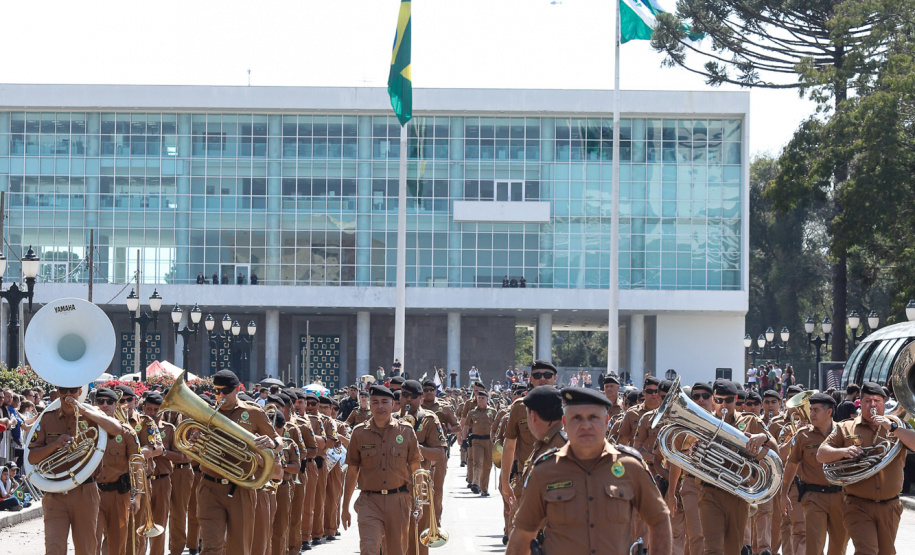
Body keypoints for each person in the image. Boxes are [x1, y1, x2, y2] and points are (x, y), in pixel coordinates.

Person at [506, 387, 672, 555]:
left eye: (593, 417)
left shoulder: (631, 467)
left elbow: (659, 519)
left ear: (606, 421)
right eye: (577, 418)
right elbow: (522, 534)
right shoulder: (544, 471)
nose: (586, 425)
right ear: (565, 423)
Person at [818, 381, 915, 555]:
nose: (872, 405)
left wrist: (892, 427)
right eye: (868, 401)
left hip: (890, 506)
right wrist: (844, 451)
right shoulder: (846, 427)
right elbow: (821, 454)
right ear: (860, 403)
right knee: (867, 550)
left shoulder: (897, 425)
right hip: (857, 504)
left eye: (877, 401)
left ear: (884, 403)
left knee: (886, 552)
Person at [29, 384, 124, 555]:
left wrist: (83, 410)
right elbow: (32, 458)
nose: (68, 395)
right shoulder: (47, 418)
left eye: (73, 391)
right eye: (63, 391)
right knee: (54, 549)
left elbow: (117, 429)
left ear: (80, 392)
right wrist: (55, 445)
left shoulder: (93, 416)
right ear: (57, 392)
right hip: (55, 492)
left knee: (86, 549)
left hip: (85, 491)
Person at [194, 370, 281, 555]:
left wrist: (272, 443)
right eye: (217, 391)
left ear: (237, 389)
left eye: (225, 391)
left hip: (241, 488)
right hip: (210, 487)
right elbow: (188, 454)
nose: (221, 396)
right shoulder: (206, 413)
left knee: (239, 548)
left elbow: (279, 441)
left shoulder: (253, 412)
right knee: (210, 547)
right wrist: (194, 440)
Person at [341, 384, 422, 555]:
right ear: (369, 405)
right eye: (375, 402)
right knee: (369, 548)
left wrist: (419, 502)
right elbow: (352, 471)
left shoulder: (406, 431)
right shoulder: (359, 433)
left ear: (393, 404)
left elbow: (416, 468)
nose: (380, 406)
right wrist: (345, 506)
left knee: (397, 551)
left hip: (398, 501)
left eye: (384, 402)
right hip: (370, 501)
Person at [699, 379, 775, 555]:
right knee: (712, 549)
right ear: (713, 399)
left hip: (738, 493)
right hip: (710, 491)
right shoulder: (704, 422)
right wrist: (696, 448)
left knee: (733, 548)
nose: (723, 405)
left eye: (728, 400)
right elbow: (687, 451)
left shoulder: (750, 421)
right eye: (718, 400)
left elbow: (775, 449)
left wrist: (764, 438)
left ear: (735, 399)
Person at [780, 392, 848, 555]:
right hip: (813, 497)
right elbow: (791, 464)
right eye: (810, 410)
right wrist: (784, 494)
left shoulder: (843, 432)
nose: (811, 414)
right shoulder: (803, 434)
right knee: (814, 546)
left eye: (816, 410)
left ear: (829, 412)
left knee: (838, 548)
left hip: (840, 496)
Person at [92, 387, 142, 555]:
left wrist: (138, 497)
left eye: (110, 402)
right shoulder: (86, 431)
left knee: (118, 543)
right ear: (95, 404)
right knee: (91, 541)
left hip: (119, 495)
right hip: (93, 493)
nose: (105, 405)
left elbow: (137, 465)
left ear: (116, 406)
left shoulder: (127, 432)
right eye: (101, 401)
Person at [400, 380, 446, 555]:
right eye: (404, 395)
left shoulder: (429, 419)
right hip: (394, 483)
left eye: (412, 396)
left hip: (419, 486)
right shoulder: (393, 419)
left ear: (420, 398)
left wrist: (415, 448)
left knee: (417, 540)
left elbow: (439, 454)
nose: (408, 400)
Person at [464, 390, 496, 496]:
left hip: (489, 441)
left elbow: (497, 426)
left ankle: (484, 489)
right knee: (477, 462)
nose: (480, 400)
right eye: (479, 398)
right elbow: (466, 426)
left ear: (487, 400)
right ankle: (475, 484)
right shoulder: (472, 412)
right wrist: (464, 440)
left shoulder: (492, 411)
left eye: (483, 398)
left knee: (487, 465)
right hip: (476, 441)